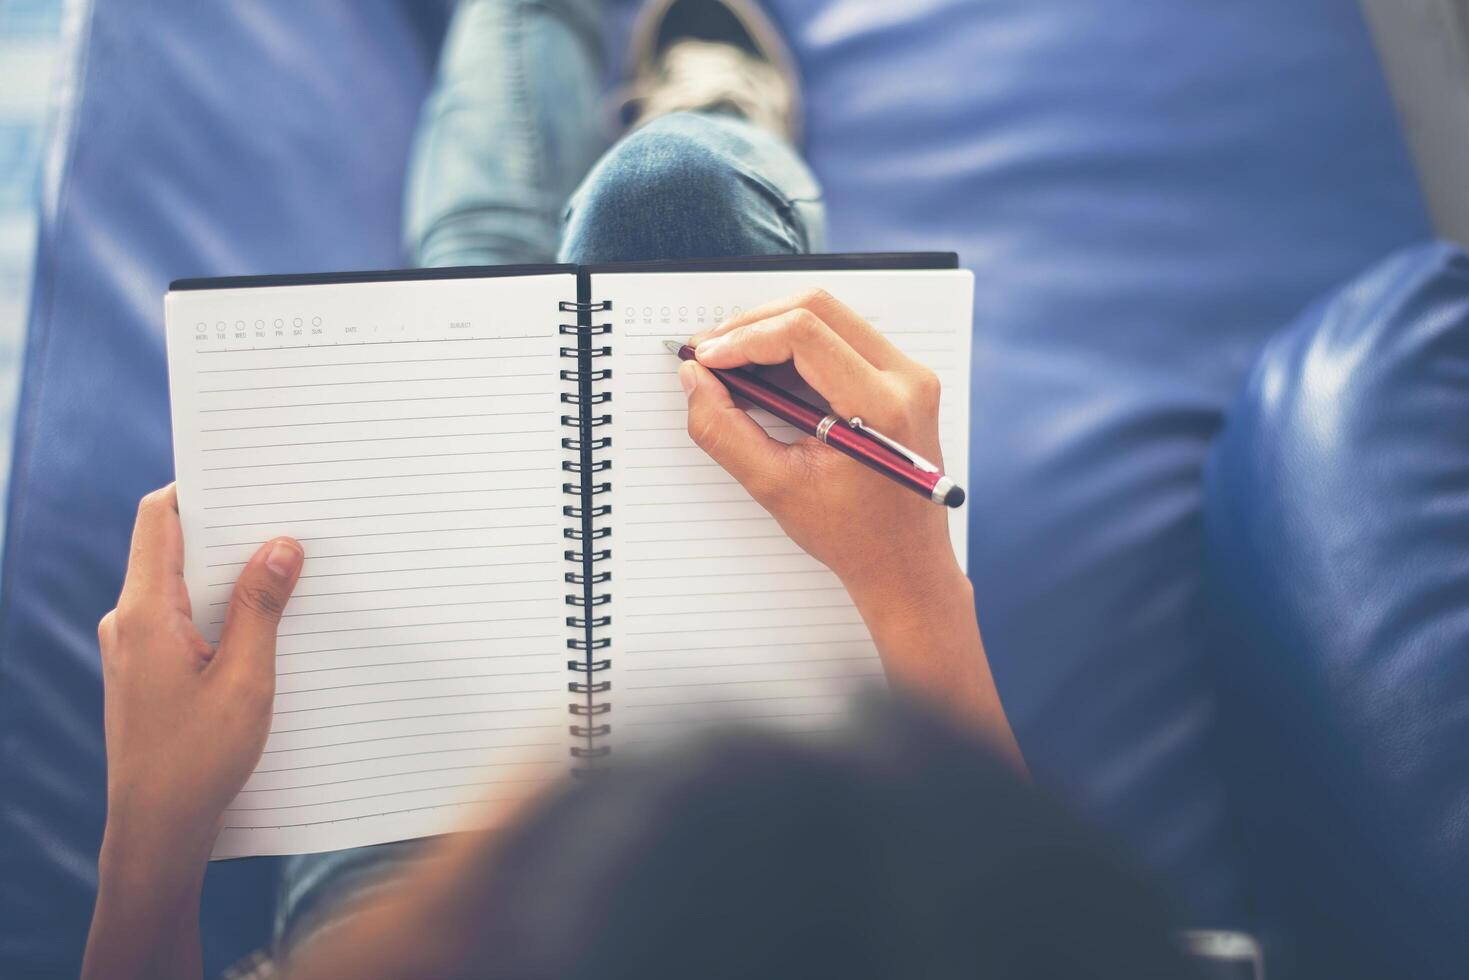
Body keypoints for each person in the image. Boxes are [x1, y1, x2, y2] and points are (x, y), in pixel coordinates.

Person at [82, 0, 1191, 976]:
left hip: (421, 907)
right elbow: (1011, 928)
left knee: (478, 282)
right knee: (671, 197)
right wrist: (914, 582)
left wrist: (149, 837)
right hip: (748, 885)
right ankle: (704, 126)